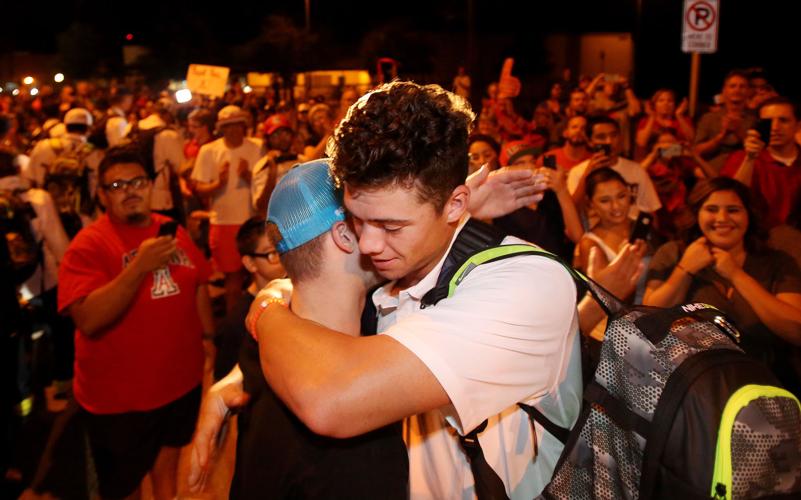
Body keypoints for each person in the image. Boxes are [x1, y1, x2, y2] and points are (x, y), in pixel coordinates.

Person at [241, 81, 581, 498]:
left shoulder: (524, 283)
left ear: (455, 204)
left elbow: (331, 399)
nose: (366, 244)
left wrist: (265, 307)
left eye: (390, 226)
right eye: (355, 219)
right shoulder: (396, 264)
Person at [197, 161, 410, 498]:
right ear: (344, 235)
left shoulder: (262, 352)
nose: (390, 233)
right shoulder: (349, 432)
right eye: (379, 221)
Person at [57, 145, 215, 499]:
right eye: (117, 186)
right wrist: (138, 269)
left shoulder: (170, 228)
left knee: (167, 466)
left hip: (179, 385)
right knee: (124, 487)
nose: (129, 191)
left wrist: (208, 338)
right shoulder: (89, 246)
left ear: (150, 186)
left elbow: (199, 282)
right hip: (119, 401)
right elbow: (89, 320)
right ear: (101, 196)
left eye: (137, 182)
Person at [643, 177, 801, 397]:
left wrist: (736, 275)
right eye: (712, 209)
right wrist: (684, 270)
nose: (722, 218)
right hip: (692, 389)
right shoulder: (672, 253)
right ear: (697, 214)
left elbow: (796, 330)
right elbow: (648, 320)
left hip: (768, 385)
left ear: (749, 215)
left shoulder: (777, 261)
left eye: (733, 210)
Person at [192, 105, 262, 311]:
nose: (233, 131)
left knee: (258, 276)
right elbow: (199, 189)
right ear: (221, 129)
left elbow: (266, 184)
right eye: (227, 127)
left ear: (244, 126)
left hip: (252, 220)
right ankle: (235, 325)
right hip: (223, 222)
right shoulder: (209, 151)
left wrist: (248, 176)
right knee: (232, 280)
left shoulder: (257, 147)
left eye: (236, 126)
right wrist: (218, 184)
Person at [212, 217, 285, 382]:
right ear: (250, 263)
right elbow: (224, 379)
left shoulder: (295, 293)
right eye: (272, 253)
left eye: (283, 248)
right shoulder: (239, 321)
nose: (283, 259)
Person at [493, 140, 583, 260]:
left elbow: (577, 236)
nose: (529, 167)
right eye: (520, 163)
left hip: (560, 267)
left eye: (532, 161)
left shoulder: (551, 194)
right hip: (525, 270)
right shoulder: (500, 203)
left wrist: (562, 190)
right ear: (507, 170)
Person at [721, 96, 801, 228]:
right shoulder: (741, 158)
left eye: (783, 120)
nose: (775, 127)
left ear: (798, 126)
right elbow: (730, 201)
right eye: (768, 122)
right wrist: (749, 159)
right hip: (760, 237)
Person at [567, 115, 662, 218]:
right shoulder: (578, 172)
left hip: (634, 230)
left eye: (614, 135)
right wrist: (587, 175)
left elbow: (650, 210)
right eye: (601, 137)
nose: (609, 141)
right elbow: (571, 212)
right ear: (590, 141)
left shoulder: (636, 170)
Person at [694, 70, 756, 174]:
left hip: (744, 171)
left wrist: (739, 132)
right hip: (712, 172)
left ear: (748, 91)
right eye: (732, 86)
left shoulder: (754, 120)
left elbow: (759, 153)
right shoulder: (709, 118)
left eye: (742, 86)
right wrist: (721, 136)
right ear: (724, 91)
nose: (737, 90)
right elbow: (696, 151)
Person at [635, 89, 694, 158]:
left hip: (680, 159)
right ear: (654, 105)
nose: (666, 103)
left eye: (670, 101)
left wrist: (679, 115)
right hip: (653, 159)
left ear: (675, 104)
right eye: (661, 101)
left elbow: (691, 139)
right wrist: (652, 117)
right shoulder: (645, 121)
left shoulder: (683, 120)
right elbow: (641, 143)